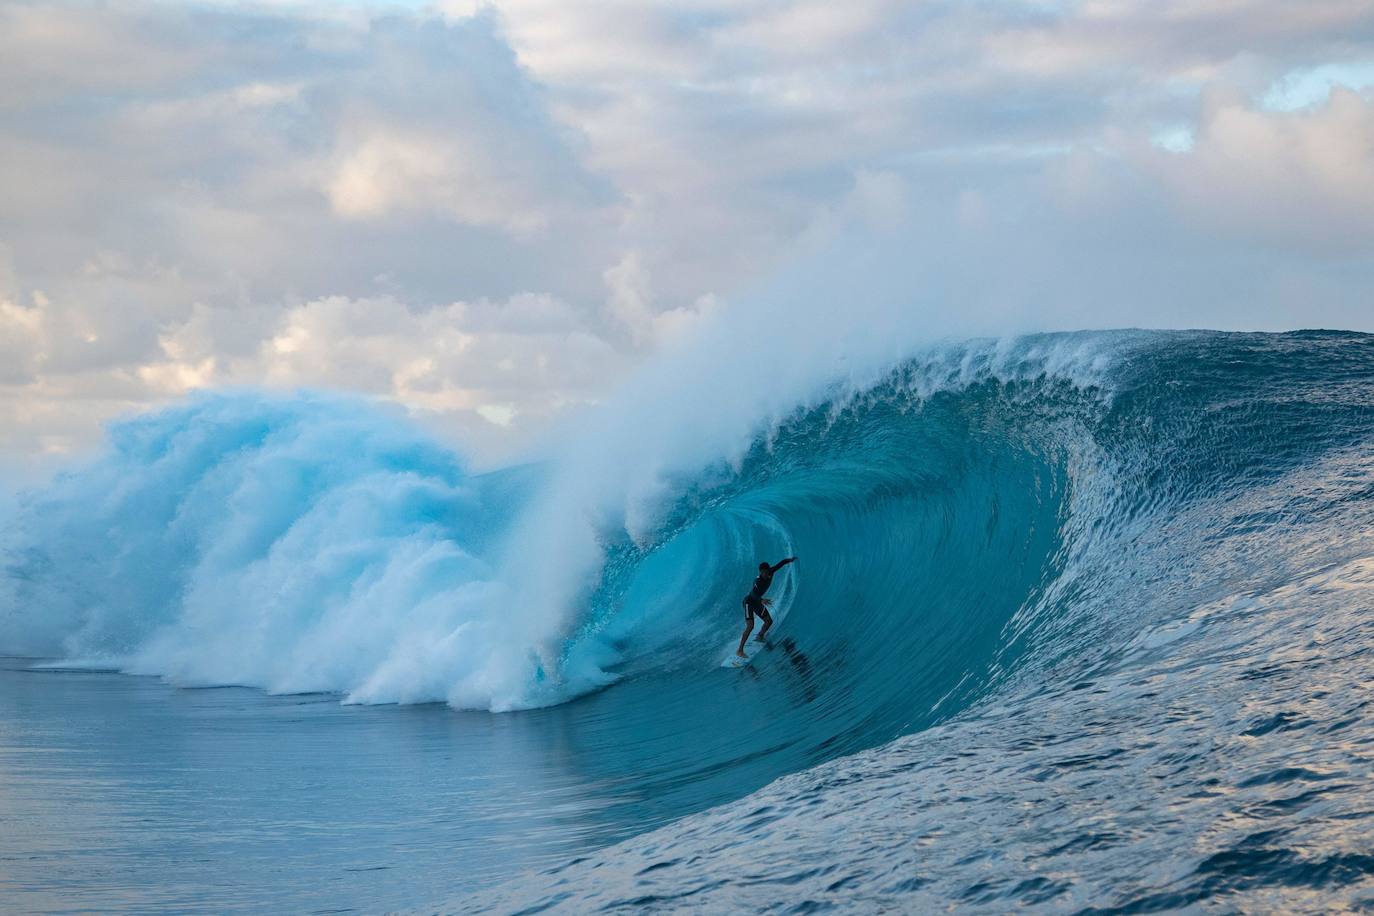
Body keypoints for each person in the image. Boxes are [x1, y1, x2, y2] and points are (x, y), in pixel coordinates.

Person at [737, 557, 797, 658]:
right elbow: (752, 595)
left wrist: (789, 560)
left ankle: (760, 636)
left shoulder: (771, 572)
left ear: (769, 570)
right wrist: (762, 600)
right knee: (750, 626)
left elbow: (780, 564)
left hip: (757, 602)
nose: (765, 574)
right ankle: (740, 650)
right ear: (760, 572)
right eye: (763, 572)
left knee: (769, 621)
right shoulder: (758, 581)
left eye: (766, 572)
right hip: (749, 602)